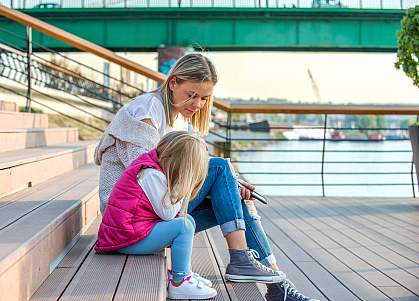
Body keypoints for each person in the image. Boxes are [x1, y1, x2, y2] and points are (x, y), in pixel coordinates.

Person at [94, 52, 319, 300]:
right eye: (191, 95)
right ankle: (243, 260)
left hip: (153, 211)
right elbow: (147, 176)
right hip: (129, 219)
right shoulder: (146, 113)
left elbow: (186, 170)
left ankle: (277, 285)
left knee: (234, 193)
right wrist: (223, 179)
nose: (197, 104)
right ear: (173, 83)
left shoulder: (179, 119)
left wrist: (230, 186)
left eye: (203, 98)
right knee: (222, 169)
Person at [95, 131, 217, 299]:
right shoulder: (151, 174)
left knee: (188, 220)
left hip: (128, 233)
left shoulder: (153, 165)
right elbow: (169, 214)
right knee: (183, 225)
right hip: (124, 240)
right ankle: (180, 282)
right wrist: (182, 183)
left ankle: (184, 273)